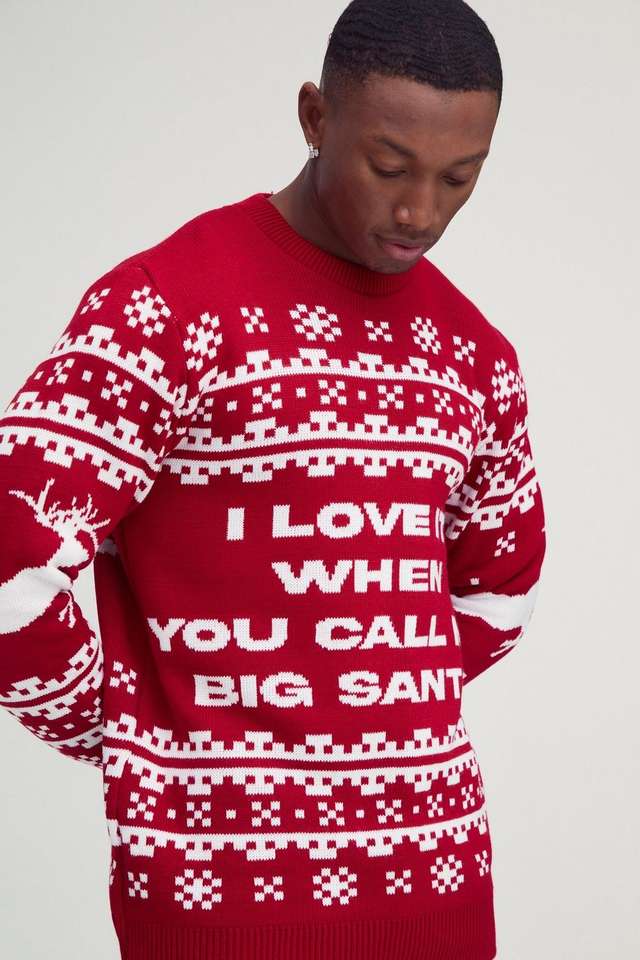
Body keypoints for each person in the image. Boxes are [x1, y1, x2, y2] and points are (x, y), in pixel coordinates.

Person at [0, 1, 547, 957]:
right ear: (314, 116)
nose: (420, 211)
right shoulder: (168, 308)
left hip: (437, 881)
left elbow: (502, 588)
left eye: (459, 177)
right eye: (389, 167)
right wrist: (137, 734)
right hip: (219, 900)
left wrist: (362, 689)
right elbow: (12, 554)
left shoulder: (474, 354)